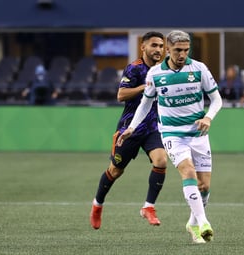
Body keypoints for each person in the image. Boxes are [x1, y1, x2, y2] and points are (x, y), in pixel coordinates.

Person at [116, 30, 223, 244]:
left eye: (186, 50)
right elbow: (146, 103)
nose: (182, 54)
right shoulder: (155, 74)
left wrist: (209, 117)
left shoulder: (199, 69)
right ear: (168, 49)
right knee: (187, 170)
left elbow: (217, 99)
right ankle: (203, 223)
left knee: (204, 187)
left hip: (199, 134)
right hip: (172, 134)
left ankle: (192, 222)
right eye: (177, 50)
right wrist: (132, 127)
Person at [89, 31, 167, 229]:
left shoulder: (166, 70)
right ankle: (97, 204)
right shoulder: (134, 69)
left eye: (161, 46)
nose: (158, 49)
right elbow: (121, 95)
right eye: (154, 45)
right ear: (143, 47)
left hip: (153, 127)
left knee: (161, 160)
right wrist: (145, 87)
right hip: (129, 128)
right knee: (115, 171)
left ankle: (148, 207)